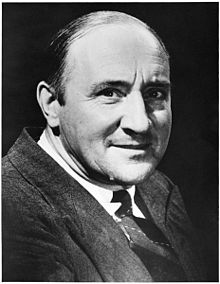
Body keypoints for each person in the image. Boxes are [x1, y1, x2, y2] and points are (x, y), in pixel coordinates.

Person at [2, 11, 206, 281]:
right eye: (109, 93)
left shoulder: (160, 188)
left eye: (155, 93)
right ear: (51, 105)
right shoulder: (10, 215)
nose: (141, 123)